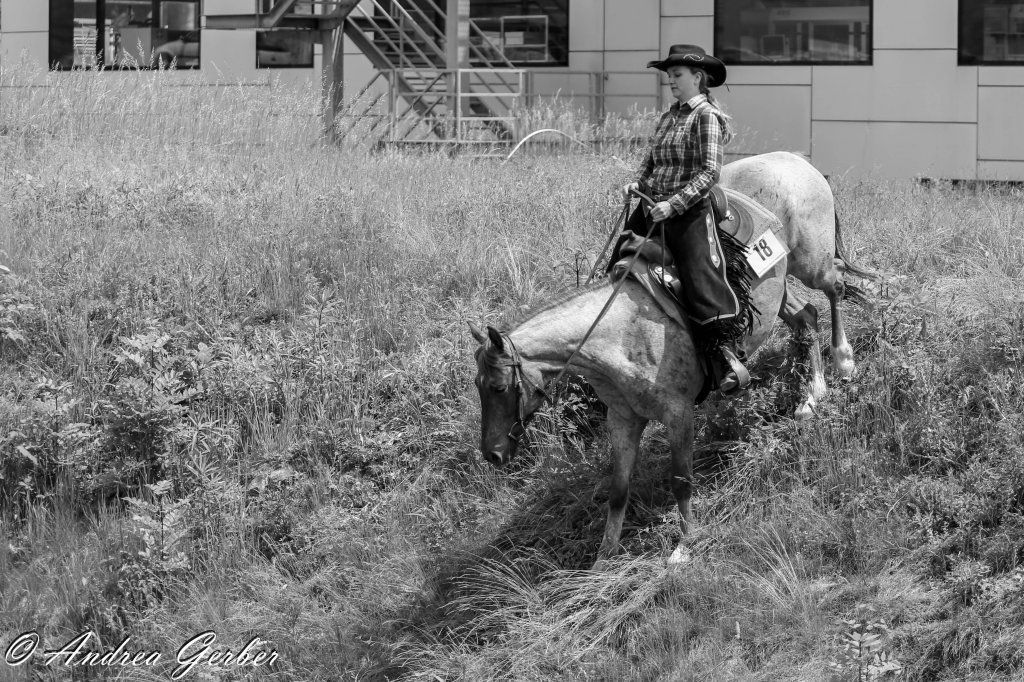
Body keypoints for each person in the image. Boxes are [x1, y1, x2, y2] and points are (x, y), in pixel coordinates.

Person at [616, 44, 750, 393]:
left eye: (676, 75)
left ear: (697, 77)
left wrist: (673, 205)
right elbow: (652, 161)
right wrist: (638, 183)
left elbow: (709, 173)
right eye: (669, 76)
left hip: (688, 213)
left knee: (702, 280)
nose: (671, 81)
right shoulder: (670, 115)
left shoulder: (706, 116)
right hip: (651, 208)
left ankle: (724, 357)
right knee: (618, 261)